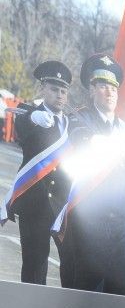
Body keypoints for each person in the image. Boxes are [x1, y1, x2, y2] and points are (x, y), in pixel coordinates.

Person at [59, 54, 125, 295]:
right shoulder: (77, 119)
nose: (109, 92)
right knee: (87, 296)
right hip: (88, 224)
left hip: (122, 225)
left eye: (113, 88)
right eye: (102, 86)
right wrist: (98, 141)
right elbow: (78, 137)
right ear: (91, 91)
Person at [3, 61, 73, 284]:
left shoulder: (72, 123)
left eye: (63, 91)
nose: (59, 95)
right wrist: (33, 117)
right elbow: (22, 123)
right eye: (54, 89)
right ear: (42, 89)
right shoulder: (30, 114)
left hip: (64, 205)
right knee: (35, 266)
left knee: (73, 263)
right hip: (36, 203)